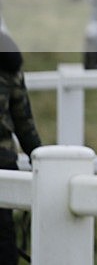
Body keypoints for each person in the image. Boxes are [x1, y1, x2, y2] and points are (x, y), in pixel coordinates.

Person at [1, 23, 42, 264]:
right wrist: (41, 158)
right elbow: (24, 123)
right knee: (4, 236)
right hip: (4, 162)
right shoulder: (7, 56)